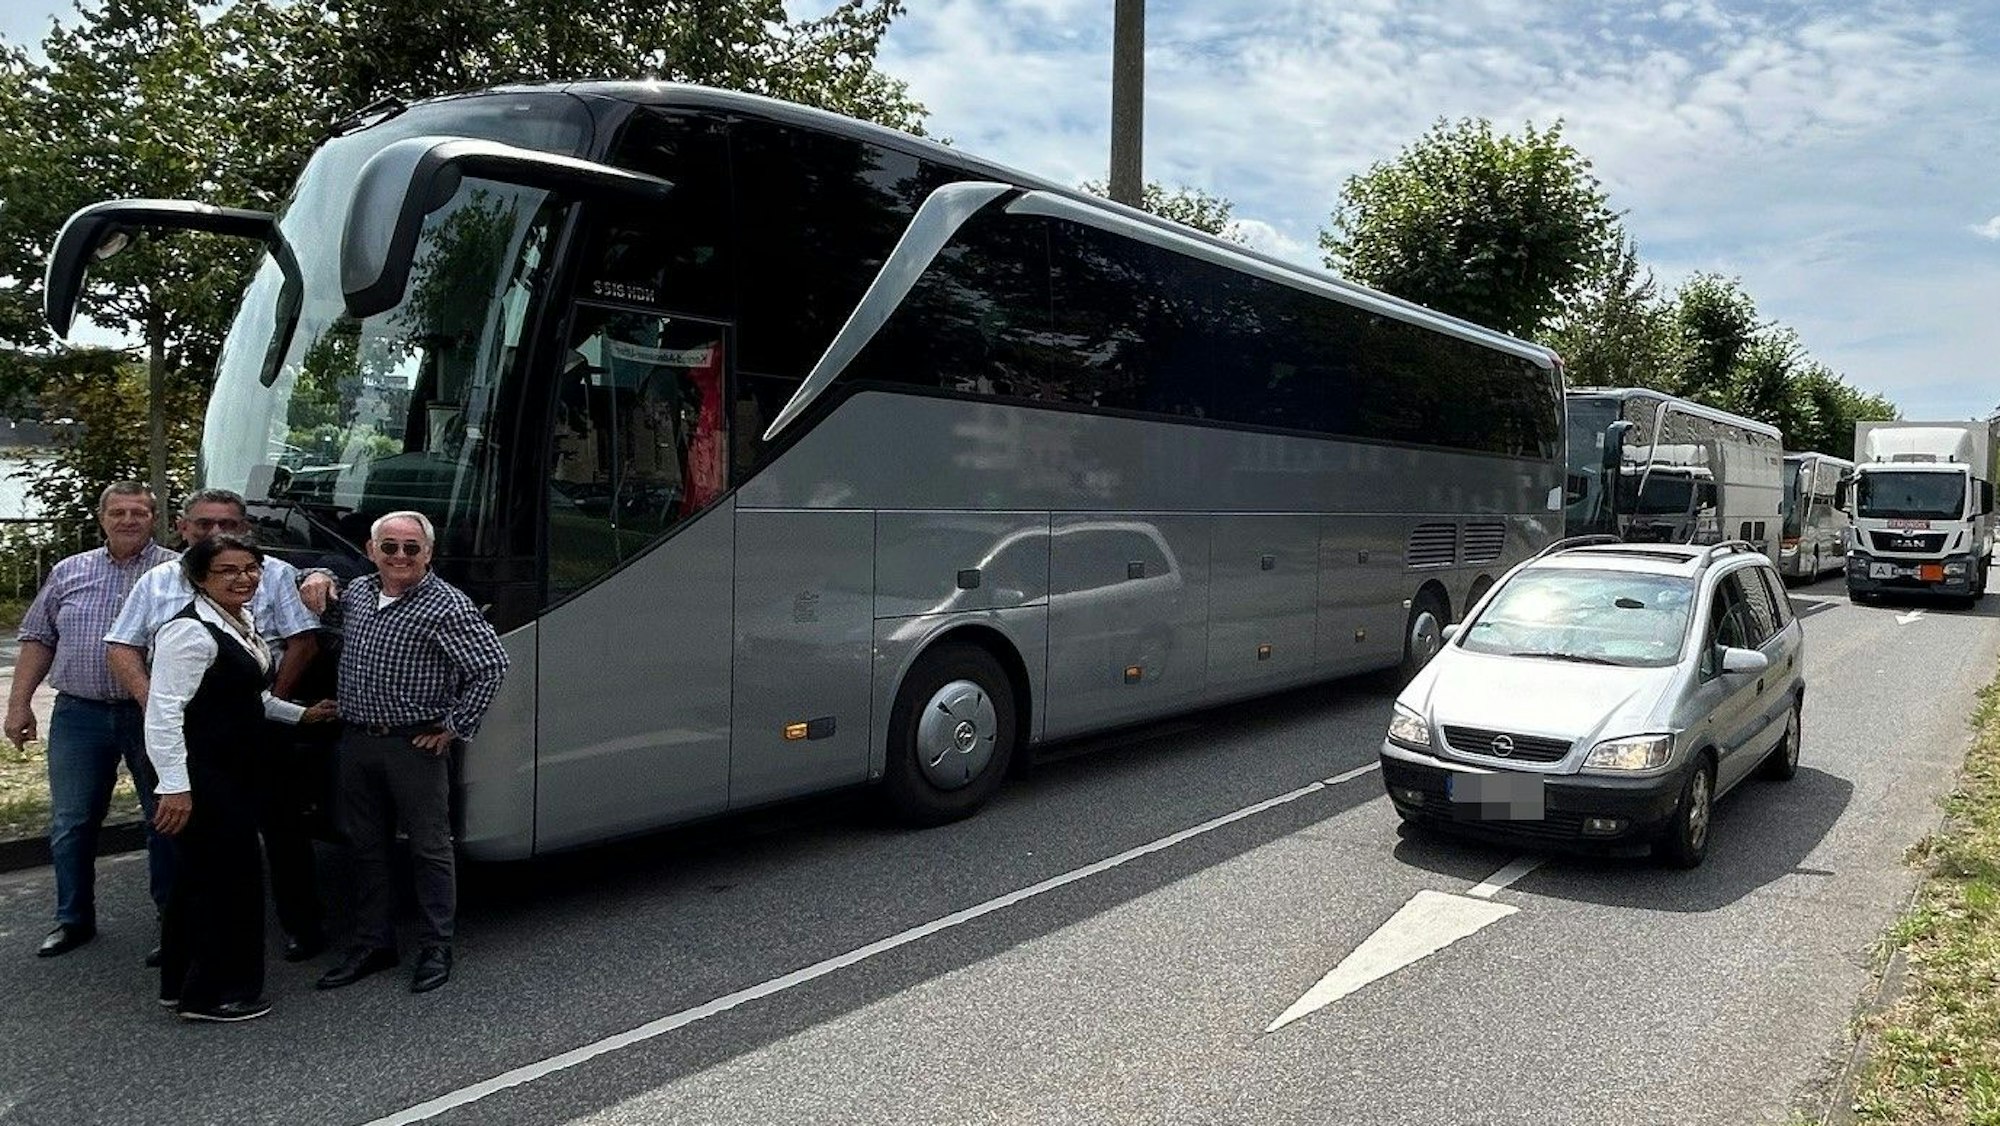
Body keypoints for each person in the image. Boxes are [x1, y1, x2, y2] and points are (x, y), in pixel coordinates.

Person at [105, 488, 328, 962]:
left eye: (227, 525)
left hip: (262, 728)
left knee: (284, 830)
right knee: (194, 844)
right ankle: (189, 946)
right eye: (204, 524)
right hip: (193, 739)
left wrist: (268, 705)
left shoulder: (271, 574)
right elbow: (122, 645)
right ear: (183, 528)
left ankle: (300, 928)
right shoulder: (159, 582)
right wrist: (155, 703)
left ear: (244, 529)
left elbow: (303, 641)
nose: (215, 533)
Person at [313, 511, 508, 995]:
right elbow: (321, 595)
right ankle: (374, 944)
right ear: (371, 550)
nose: (400, 556)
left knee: (429, 849)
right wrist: (313, 575)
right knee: (366, 847)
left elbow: (491, 665)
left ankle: (436, 946)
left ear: (428, 554)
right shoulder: (359, 593)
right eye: (390, 547)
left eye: (412, 548)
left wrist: (454, 728)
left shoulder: (447, 604)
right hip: (358, 740)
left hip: (413, 746)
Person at [146, 534, 334, 1021]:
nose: (243, 578)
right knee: (227, 882)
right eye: (227, 570)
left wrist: (302, 715)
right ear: (198, 577)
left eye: (250, 568)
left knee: (199, 880)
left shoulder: (238, 622)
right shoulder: (188, 633)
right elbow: (163, 713)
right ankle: (216, 995)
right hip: (206, 776)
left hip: (235, 771)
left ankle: (180, 985)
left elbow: (249, 698)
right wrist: (174, 787)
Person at [8, 482, 177, 958]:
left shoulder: (175, 571)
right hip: (79, 714)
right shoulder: (69, 570)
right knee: (72, 822)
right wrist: (18, 704)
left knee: (164, 818)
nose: (128, 520)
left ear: (154, 518)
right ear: (102, 518)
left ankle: (173, 921)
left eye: (139, 512)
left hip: (150, 714)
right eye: (118, 512)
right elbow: (38, 637)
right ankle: (73, 920)